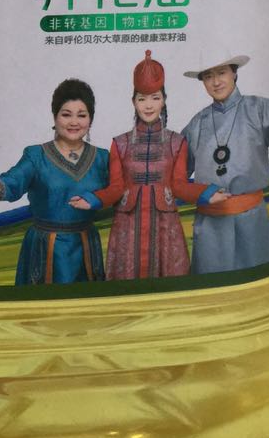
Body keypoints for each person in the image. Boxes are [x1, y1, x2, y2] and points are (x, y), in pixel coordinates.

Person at [69, 51, 227, 280]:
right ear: (133, 102)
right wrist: (92, 199)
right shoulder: (120, 143)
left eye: (155, 98)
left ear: (163, 100)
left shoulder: (177, 142)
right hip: (127, 226)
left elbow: (180, 186)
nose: (148, 105)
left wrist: (207, 193)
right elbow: (115, 189)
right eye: (142, 99)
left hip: (165, 227)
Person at [0, 78, 110, 286]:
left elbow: (118, 193)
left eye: (82, 115)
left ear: (90, 119)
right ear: (55, 116)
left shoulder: (102, 158)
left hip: (87, 248)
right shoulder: (36, 155)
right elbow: (13, 181)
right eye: (66, 114)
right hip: (46, 248)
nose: (74, 122)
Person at [181, 53, 269, 275]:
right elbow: (176, 173)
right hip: (210, 225)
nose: (216, 82)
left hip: (251, 220)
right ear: (203, 82)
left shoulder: (259, 109)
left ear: (234, 73)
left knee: (258, 282)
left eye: (222, 73)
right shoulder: (196, 124)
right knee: (211, 286)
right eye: (208, 76)